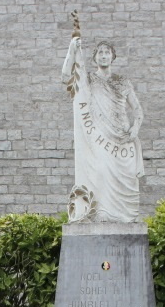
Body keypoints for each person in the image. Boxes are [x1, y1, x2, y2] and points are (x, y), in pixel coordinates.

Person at [62, 28, 145, 223]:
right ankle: (101, 215)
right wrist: (72, 50)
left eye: (107, 52)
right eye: (100, 52)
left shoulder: (122, 81)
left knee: (129, 180)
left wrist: (135, 129)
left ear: (113, 57)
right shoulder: (89, 79)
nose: (104, 56)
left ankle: (125, 219)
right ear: (95, 58)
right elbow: (66, 76)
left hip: (122, 138)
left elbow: (138, 111)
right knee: (99, 173)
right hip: (99, 137)